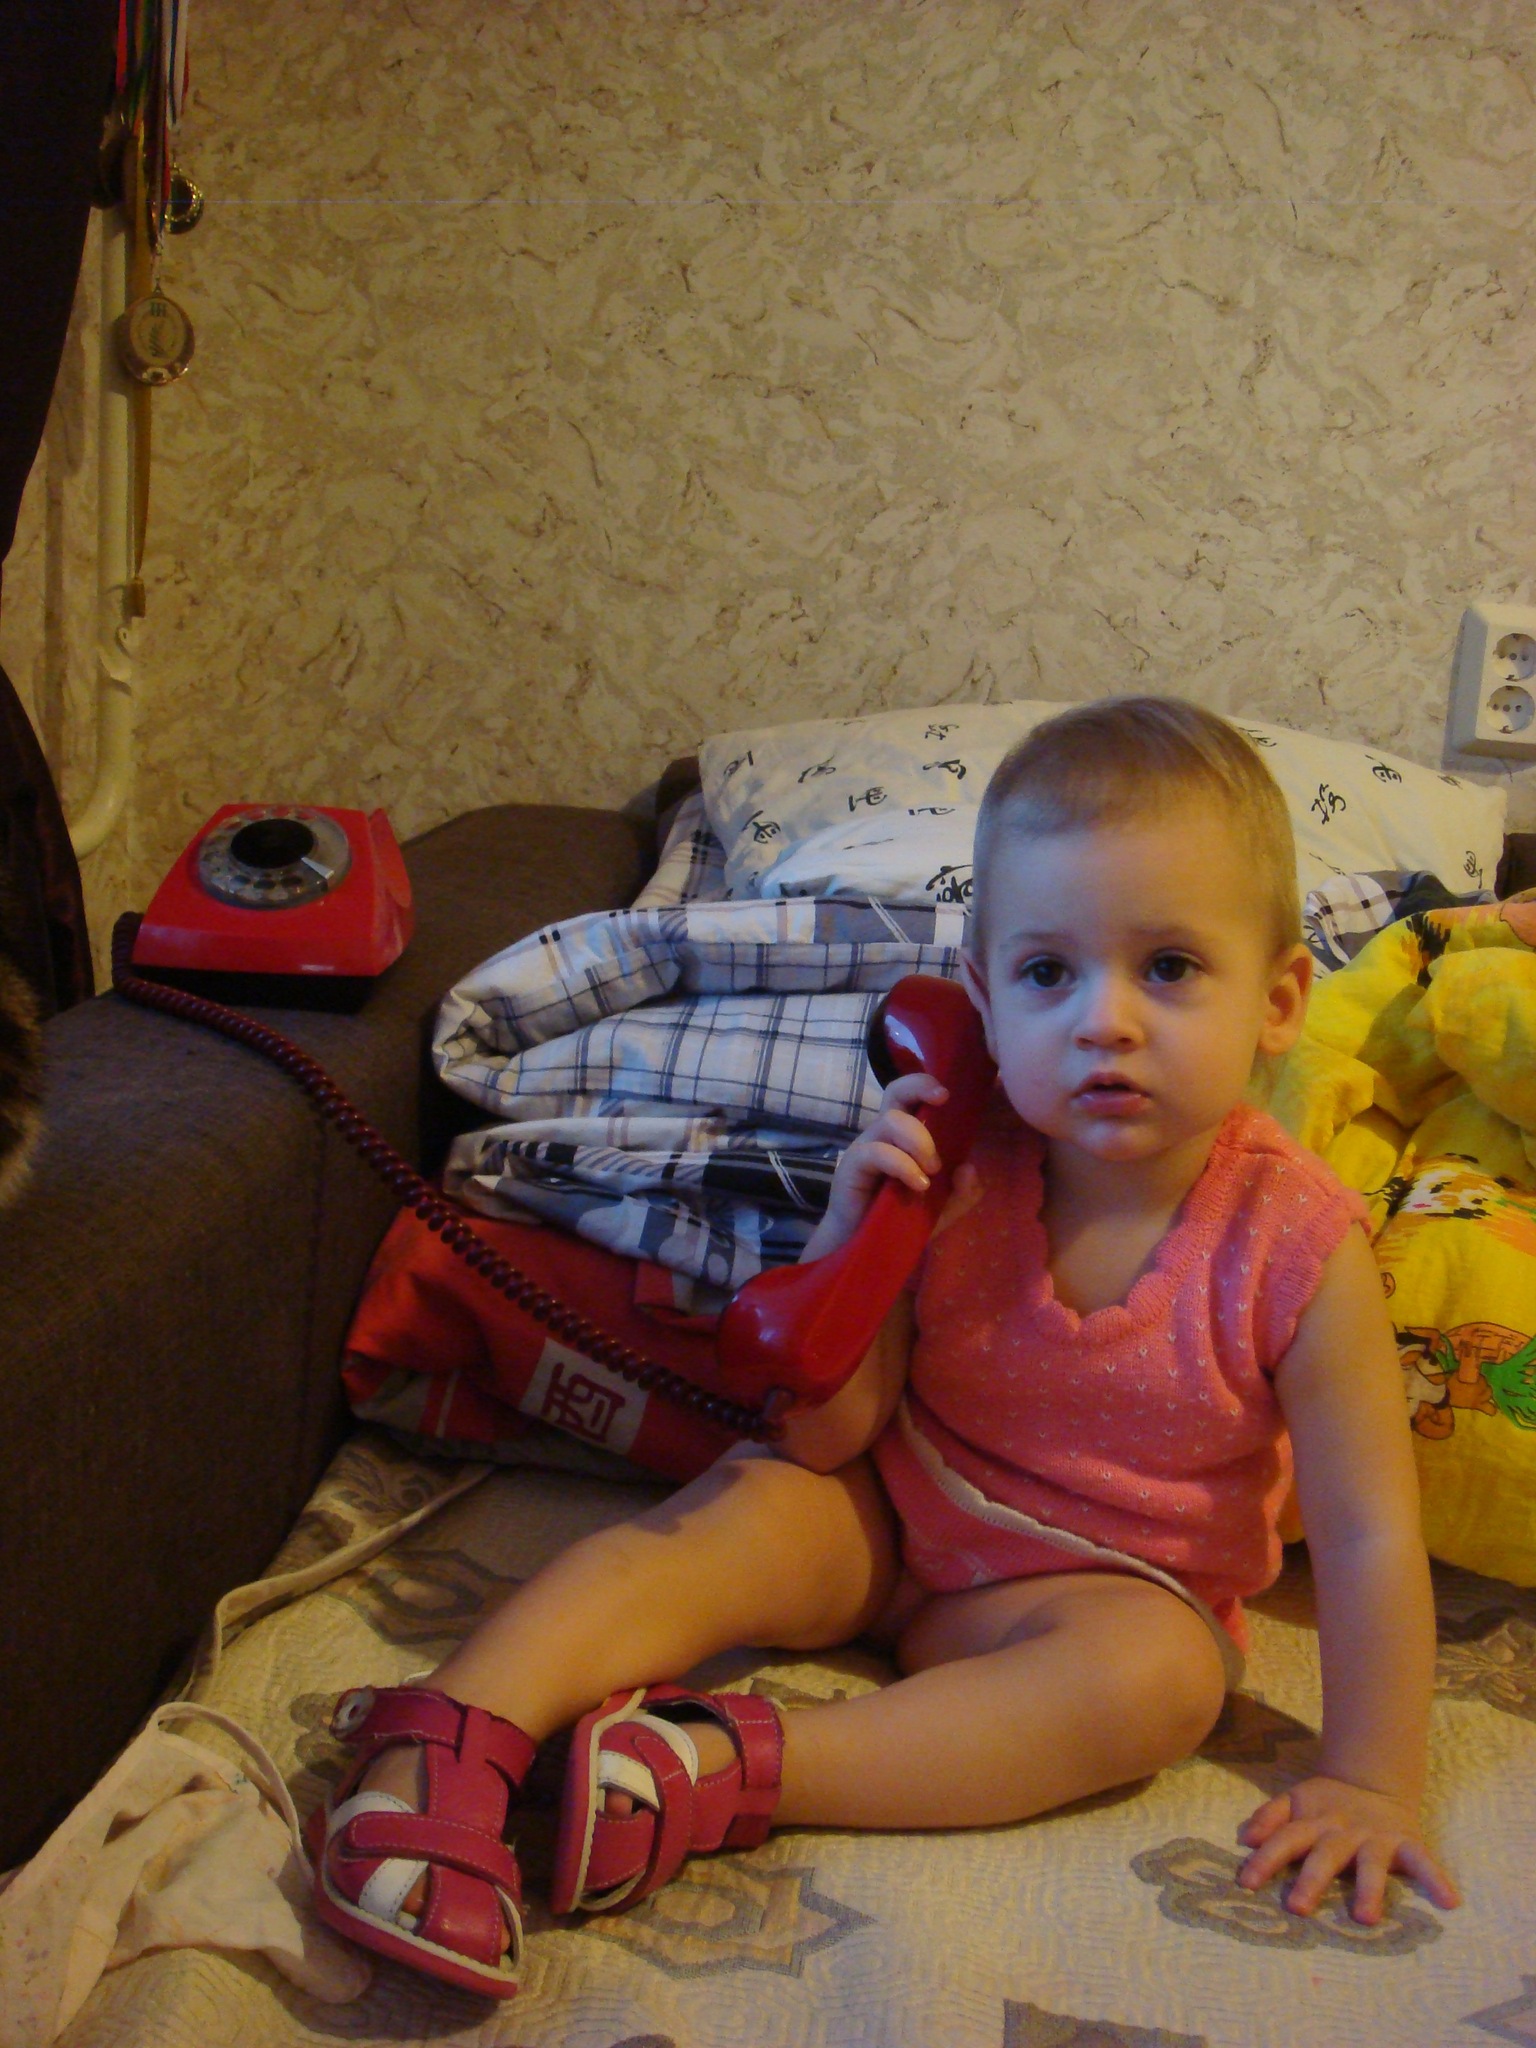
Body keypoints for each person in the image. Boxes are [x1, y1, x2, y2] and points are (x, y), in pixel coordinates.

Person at [310, 697, 1460, 2001]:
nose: (1104, 1020)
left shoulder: (1298, 1244)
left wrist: (1371, 1778)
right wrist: (855, 1247)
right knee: (740, 1506)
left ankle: (713, 1768)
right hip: (884, 1512)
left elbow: (1369, 1533)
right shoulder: (958, 1163)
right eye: (1047, 974)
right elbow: (830, 1433)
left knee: (1164, 1684)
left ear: (1280, 1000)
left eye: (1170, 968)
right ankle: (447, 1736)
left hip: (1094, 1589)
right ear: (979, 1000)